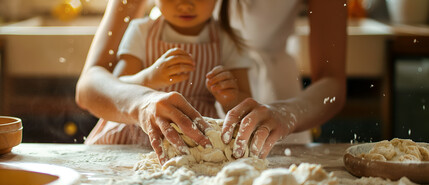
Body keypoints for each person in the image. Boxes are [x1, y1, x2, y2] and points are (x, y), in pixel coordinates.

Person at [76, 0, 346, 162]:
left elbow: (332, 81)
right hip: (138, 127)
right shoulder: (144, 33)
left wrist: (284, 112)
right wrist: (142, 99)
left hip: (275, 108)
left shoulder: (226, 41)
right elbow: (91, 83)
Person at [78, 0, 252, 163]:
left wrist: (230, 97)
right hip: (136, 130)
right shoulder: (141, 30)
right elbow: (118, 84)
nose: (185, 5)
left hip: (195, 133)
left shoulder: (227, 39)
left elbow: (244, 105)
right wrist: (149, 78)